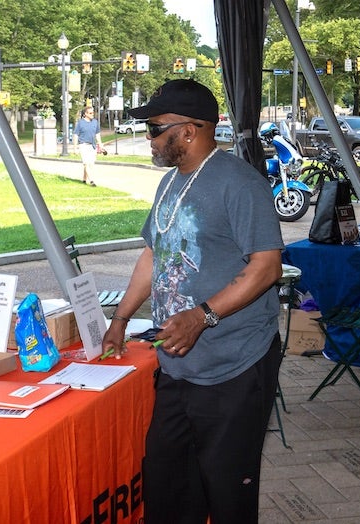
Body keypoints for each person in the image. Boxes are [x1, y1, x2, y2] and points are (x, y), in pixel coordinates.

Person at [101, 79, 285, 523]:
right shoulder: (170, 183)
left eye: (154, 127)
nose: (148, 138)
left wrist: (202, 317)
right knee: (168, 489)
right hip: (178, 365)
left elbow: (266, 267)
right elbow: (154, 253)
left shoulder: (240, 184)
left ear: (189, 130)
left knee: (226, 495)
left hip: (233, 367)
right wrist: (121, 317)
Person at [73, 106, 104, 186]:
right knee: (86, 163)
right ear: (85, 114)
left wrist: (100, 144)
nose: (92, 114)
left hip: (92, 145)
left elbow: (97, 134)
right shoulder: (80, 123)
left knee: (91, 163)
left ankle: (84, 179)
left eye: (93, 112)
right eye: (90, 113)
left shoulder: (95, 122)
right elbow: (76, 135)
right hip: (83, 145)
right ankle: (91, 181)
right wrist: (75, 148)